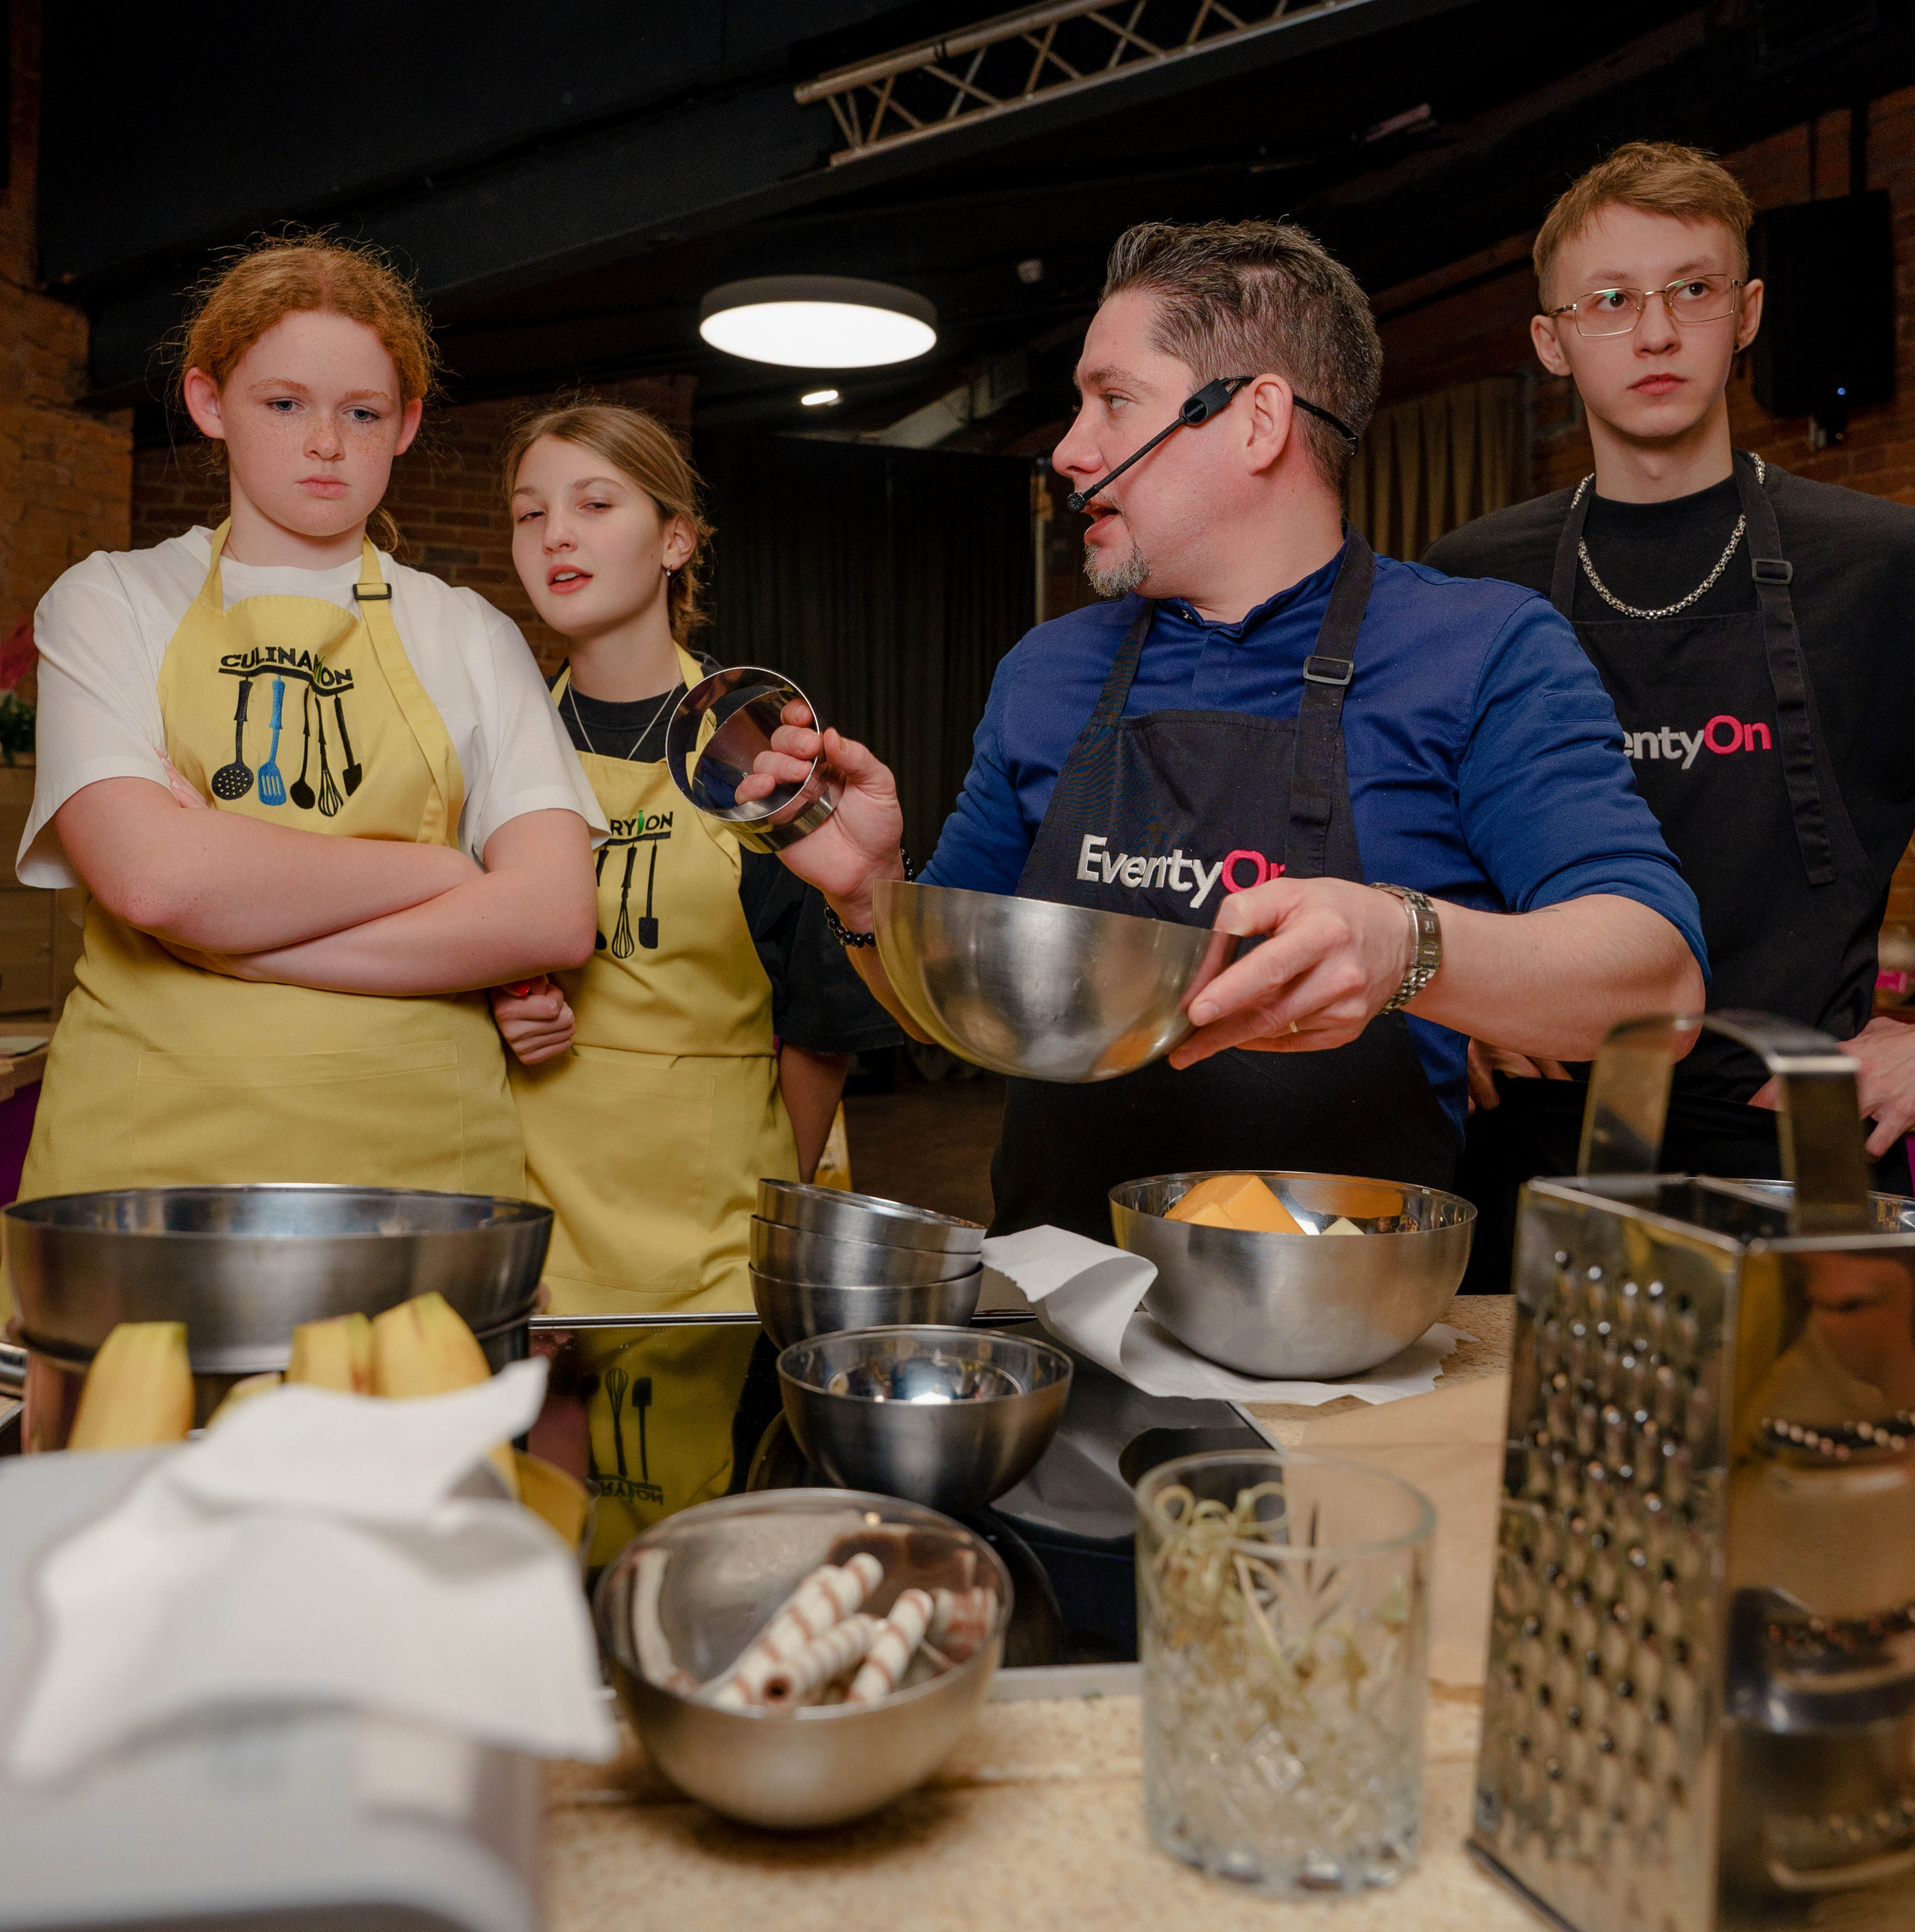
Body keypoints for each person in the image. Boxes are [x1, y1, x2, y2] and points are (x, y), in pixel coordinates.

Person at [744, 218, 1708, 1242]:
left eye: (1114, 401)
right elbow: (961, 1016)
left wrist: (1409, 948)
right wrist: (870, 899)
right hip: (1064, 1311)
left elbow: (1660, 983)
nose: (1069, 450)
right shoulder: (1047, 672)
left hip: (1340, 1337)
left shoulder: (1481, 651)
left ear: (1257, 422)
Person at [15, 236, 601, 1209]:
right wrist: (444, 875)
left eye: (361, 413)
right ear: (210, 404)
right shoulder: (110, 600)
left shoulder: (467, 631)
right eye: (283, 404)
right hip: (143, 1175)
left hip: (422, 1181)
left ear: (405, 425)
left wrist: (227, 926)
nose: (325, 442)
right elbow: (156, 880)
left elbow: (550, 914)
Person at [1429, 143, 1915, 1268]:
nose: (1654, 334)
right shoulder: (1468, 577)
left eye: (1691, 290)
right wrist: (1439, 997)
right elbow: (1404, 835)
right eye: (1610, 301)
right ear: (1553, 339)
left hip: (1796, 1151)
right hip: (1530, 1160)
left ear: (1745, 314)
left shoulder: (1881, 564)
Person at [491, 405, 898, 1536]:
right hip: (537, 1222)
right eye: (531, 515)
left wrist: (771, 1239)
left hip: (713, 1231)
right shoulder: (496, 741)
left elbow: (818, 1018)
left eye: (594, 504)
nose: (556, 538)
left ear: (676, 539)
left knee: (699, 1548)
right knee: (538, 1559)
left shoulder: (752, 740)